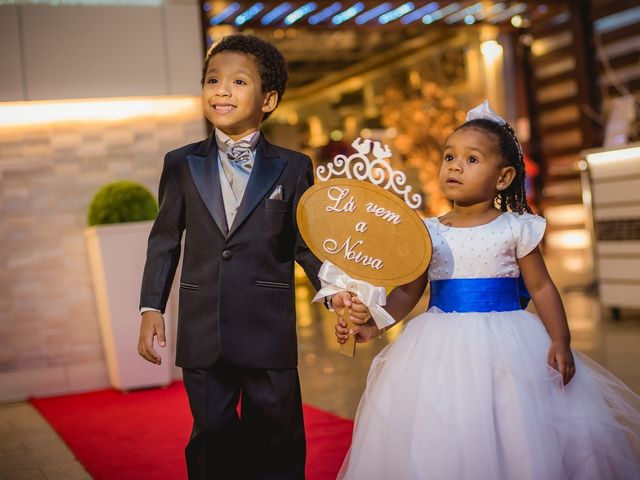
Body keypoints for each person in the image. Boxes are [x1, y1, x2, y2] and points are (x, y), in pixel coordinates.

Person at [335, 101, 640, 479]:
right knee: (444, 426)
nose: (455, 166)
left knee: (513, 422)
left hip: (510, 342)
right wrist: (375, 324)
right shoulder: (427, 231)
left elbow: (541, 287)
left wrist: (560, 340)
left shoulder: (516, 228)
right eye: (449, 157)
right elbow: (408, 291)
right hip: (438, 342)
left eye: (472, 159)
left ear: (504, 177)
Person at [137, 34, 351, 479]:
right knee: (211, 432)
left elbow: (305, 244)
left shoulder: (293, 168)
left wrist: (335, 295)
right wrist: (151, 306)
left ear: (268, 99)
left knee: (277, 431)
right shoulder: (180, 163)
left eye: (238, 81)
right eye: (213, 80)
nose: (222, 90)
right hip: (203, 327)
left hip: (267, 327)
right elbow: (164, 239)